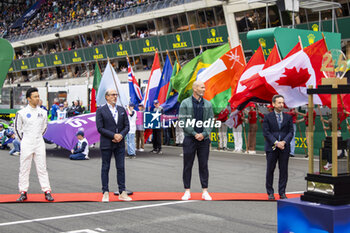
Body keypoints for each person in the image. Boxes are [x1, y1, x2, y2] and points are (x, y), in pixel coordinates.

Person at [14, 87, 54, 202]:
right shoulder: (21, 113)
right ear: (28, 99)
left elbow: (44, 127)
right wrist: (24, 140)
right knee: (24, 168)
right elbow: (17, 129)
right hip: (26, 142)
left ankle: (47, 191)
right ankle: (23, 192)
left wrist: (37, 137)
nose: (38, 98)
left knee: (42, 167)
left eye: (38, 96)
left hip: (39, 142)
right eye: (35, 97)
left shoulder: (43, 112)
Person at [179, 81, 214, 201]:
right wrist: (194, 134)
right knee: (187, 165)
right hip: (190, 139)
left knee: (203, 165)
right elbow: (183, 122)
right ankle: (187, 191)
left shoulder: (208, 104)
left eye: (204, 87)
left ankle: (205, 191)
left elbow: (210, 121)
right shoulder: (185, 103)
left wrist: (203, 134)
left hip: (204, 140)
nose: (204, 89)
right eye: (202, 87)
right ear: (195, 89)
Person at [96, 89, 132, 202]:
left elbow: (127, 126)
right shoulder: (101, 110)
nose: (115, 97)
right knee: (105, 167)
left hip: (120, 143)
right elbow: (100, 128)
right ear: (107, 97)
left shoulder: (121, 110)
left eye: (116, 94)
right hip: (107, 143)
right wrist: (113, 135)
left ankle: (122, 191)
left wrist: (121, 135)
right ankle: (105, 192)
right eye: (112, 95)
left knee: (121, 167)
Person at [263, 95, 293, 200]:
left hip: (284, 148)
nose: (281, 105)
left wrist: (284, 142)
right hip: (272, 148)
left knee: (283, 170)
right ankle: (270, 192)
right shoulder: (267, 117)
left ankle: (282, 192)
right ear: (273, 104)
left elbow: (290, 132)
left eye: (282, 103)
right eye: (279, 103)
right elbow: (266, 133)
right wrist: (276, 143)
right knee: (270, 170)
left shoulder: (288, 117)